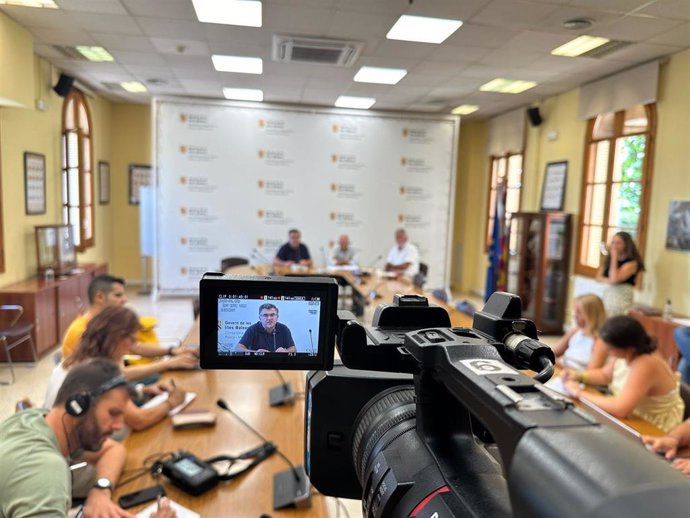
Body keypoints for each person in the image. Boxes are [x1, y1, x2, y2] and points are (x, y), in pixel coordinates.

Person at [0, 358, 175, 518]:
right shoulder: (45, 470)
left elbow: (114, 449)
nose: (119, 426)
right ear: (79, 406)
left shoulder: (35, 420)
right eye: (113, 413)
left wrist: (100, 490)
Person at [45, 306, 188, 432]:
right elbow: (139, 420)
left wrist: (141, 391)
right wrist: (172, 402)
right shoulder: (99, 372)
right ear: (116, 338)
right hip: (80, 450)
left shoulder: (77, 358)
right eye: (131, 341)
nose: (132, 347)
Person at [564, 315, 684, 433]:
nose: (606, 350)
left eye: (610, 348)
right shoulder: (629, 352)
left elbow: (621, 408)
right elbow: (605, 375)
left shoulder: (645, 363)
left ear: (628, 349)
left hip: (653, 428)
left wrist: (579, 393)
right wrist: (578, 376)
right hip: (632, 416)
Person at [61, 274, 198, 368]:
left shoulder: (106, 323)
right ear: (100, 297)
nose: (125, 299)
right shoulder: (80, 331)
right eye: (118, 295)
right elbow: (112, 376)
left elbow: (134, 346)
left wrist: (172, 351)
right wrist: (167, 364)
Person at [552, 293, 608, 371]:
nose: (575, 315)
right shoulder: (575, 331)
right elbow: (553, 352)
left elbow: (590, 375)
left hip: (576, 380)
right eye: (575, 311)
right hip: (562, 373)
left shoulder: (600, 341)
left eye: (579, 312)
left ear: (591, 315)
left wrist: (558, 365)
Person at [595, 232, 645, 316]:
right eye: (613, 242)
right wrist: (610, 280)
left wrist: (614, 257)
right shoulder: (608, 260)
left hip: (621, 299)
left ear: (626, 245)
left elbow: (614, 279)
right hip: (608, 296)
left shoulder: (632, 263)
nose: (614, 246)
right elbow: (598, 277)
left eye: (618, 243)